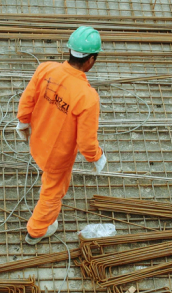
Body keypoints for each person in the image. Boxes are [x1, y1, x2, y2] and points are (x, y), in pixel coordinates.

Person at [16, 26, 107, 245]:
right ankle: (36, 231)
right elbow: (86, 142)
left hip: (37, 140)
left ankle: (39, 225)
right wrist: (97, 157)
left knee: (48, 181)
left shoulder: (46, 69)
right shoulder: (87, 97)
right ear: (91, 60)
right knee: (52, 192)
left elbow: (27, 99)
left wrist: (23, 122)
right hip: (57, 156)